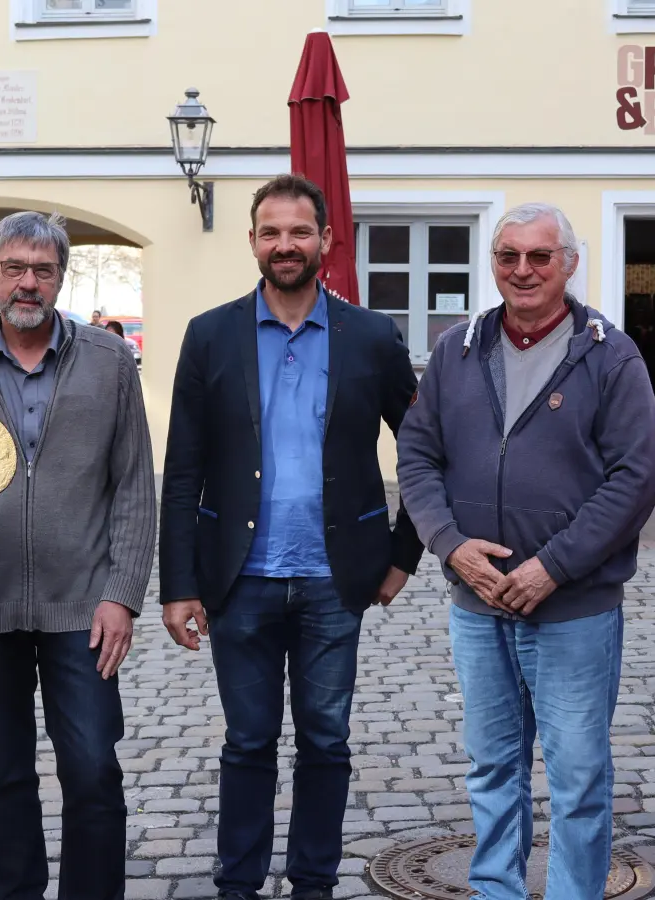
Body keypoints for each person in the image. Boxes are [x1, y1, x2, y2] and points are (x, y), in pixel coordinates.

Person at [159, 174, 423, 900]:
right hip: (238, 578)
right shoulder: (210, 335)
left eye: (299, 231)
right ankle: (238, 884)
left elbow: (424, 449)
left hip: (336, 577)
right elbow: (182, 469)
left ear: (326, 241)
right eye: (271, 232)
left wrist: (403, 553)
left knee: (325, 742)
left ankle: (313, 883)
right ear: (252, 241)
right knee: (247, 742)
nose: (285, 245)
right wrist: (178, 584)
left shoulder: (372, 337)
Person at [397, 203, 655, 900]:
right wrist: (450, 545)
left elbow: (634, 479)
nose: (523, 270)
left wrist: (553, 566)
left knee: (577, 777)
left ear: (568, 264)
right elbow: (417, 456)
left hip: (574, 609)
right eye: (508, 256)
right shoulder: (456, 351)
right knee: (491, 767)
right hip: (477, 605)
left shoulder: (610, 355)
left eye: (540, 256)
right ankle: (496, 889)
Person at [0, 211, 156, 900]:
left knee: (92, 769)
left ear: (60, 279)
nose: (28, 283)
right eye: (14, 268)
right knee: (4, 772)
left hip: (83, 607)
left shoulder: (109, 362)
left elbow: (135, 485)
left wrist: (122, 595)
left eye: (43, 271)